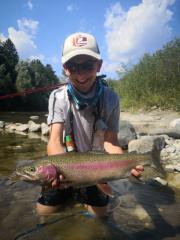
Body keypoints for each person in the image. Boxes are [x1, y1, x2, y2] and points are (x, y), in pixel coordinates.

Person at [36, 32, 143, 217]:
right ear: (65, 68)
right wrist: (58, 170)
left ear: (99, 65)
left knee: (100, 216)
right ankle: (72, 193)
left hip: (97, 168)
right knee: (44, 212)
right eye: (73, 66)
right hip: (66, 167)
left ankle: (83, 195)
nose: (81, 73)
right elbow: (54, 142)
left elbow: (111, 142)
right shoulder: (58, 97)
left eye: (87, 65)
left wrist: (127, 165)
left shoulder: (111, 98)